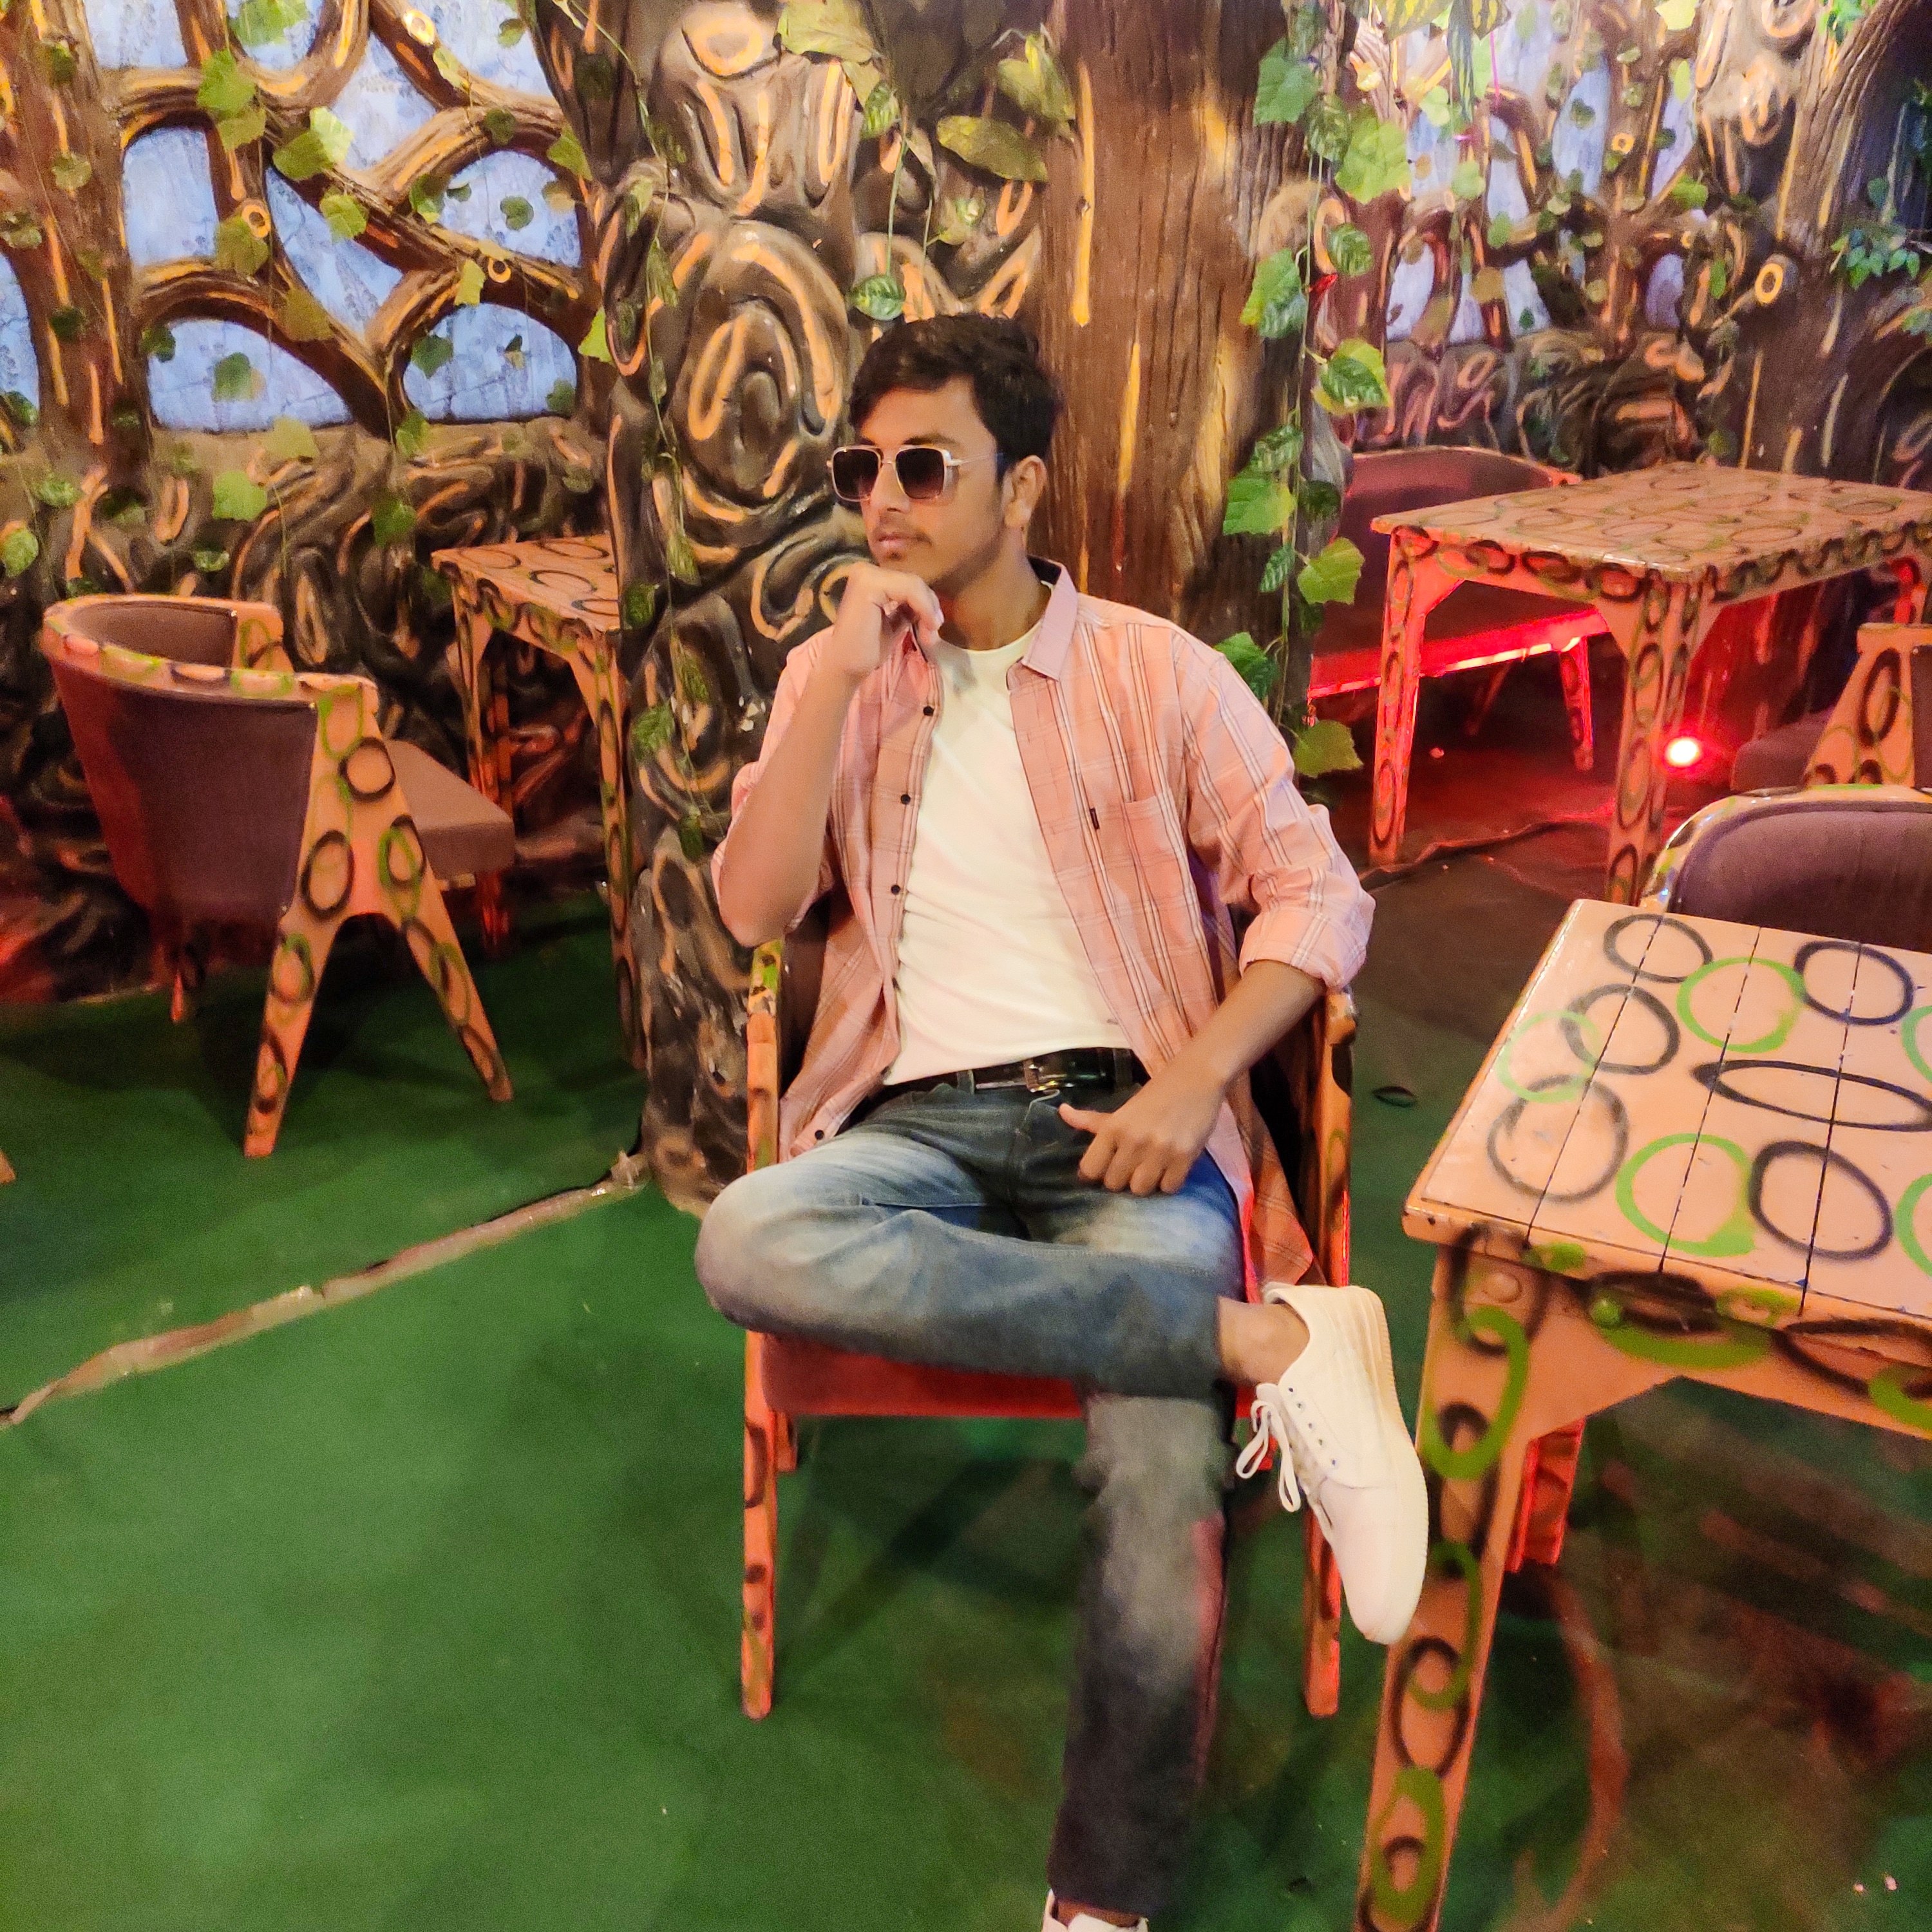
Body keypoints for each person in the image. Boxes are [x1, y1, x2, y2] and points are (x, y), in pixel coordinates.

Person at [694, 315, 1425, 1931]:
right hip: (914, 1123)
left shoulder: (1158, 673)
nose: (883, 502)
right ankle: (1265, 1346)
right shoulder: (838, 685)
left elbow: (1317, 896)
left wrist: (1193, 1077)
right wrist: (830, 676)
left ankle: (1101, 1898)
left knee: (1158, 1467)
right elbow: (753, 909)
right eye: (860, 468)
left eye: (924, 467)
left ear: (1020, 487)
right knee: (746, 1236)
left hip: (1125, 1116)